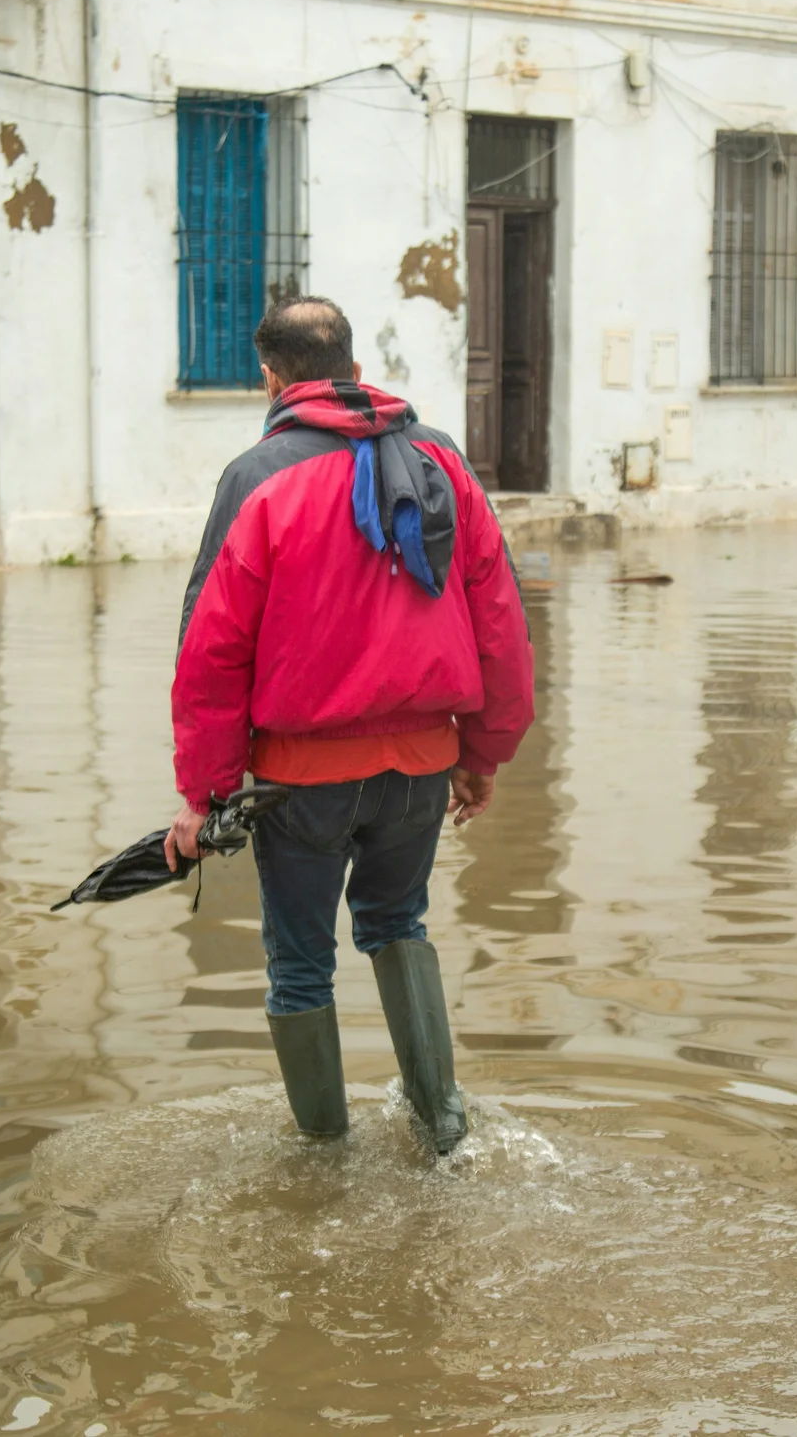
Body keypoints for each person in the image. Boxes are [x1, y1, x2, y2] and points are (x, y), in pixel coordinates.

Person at [166, 296, 535, 1154]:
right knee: (400, 926)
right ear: (354, 370)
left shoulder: (257, 477)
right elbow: (501, 621)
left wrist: (206, 796)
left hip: (298, 781)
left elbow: (210, 649)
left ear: (272, 380)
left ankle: (322, 1164)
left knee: (301, 964)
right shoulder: (443, 460)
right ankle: (444, 1132)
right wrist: (482, 754)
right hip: (420, 767)